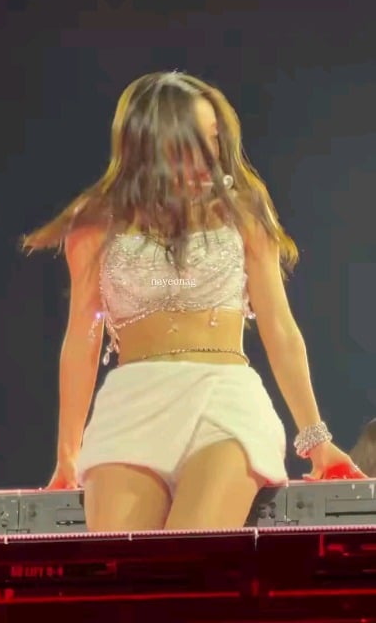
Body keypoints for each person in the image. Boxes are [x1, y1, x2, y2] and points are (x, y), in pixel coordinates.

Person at [22, 71, 363, 532]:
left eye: (214, 138)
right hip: (131, 407)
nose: (209, 155)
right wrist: (67, 454)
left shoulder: (242, 209)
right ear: (149, 142)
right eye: (190, 143)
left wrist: (316, 438)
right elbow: (82, 339)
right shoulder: (96, 222)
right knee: (127, 568)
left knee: (192, 557)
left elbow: (280, 328)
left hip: (224, 402)